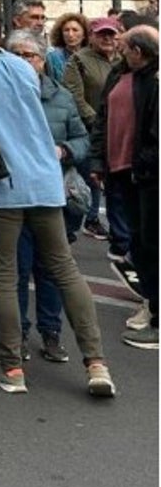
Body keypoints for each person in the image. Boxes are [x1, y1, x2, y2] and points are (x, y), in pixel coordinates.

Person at [0, 0, 116, 398]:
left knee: (4, 274)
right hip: (44, 178)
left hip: (2, 182)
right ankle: (96, 363)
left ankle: (12, 368)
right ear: (1, 29)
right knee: (64, 268)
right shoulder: (23, 65)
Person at [5, 30, 89, 363]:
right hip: (12, 197)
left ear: (42, 60)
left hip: (53, 196)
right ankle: (19, 334)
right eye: (19, 56)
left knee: (52, 269)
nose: (26, 62)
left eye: (32, 56)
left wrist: (64, 149)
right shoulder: (1, 96)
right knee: (18, 269)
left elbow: (83, 139)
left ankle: (51, 333)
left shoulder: (61, 97)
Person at [89, 25, 159, 350]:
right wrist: (98, 160)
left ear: (138, 51)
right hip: (121, 170)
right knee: (139, 241)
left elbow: (154, 135)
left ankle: (157, 316)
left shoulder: (155, 81)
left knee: (150, 241)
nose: (119, 49)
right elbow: (104, 116)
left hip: (144, 175)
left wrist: (143, 166)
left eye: (125, 46)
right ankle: (150, 300)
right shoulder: (120, 75)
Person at [63, 16, 127, 250]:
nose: (108, 38)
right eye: (102, 34)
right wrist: (98, 121)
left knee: (118, 185)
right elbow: (74, 96)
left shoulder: (125, 60)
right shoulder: (79, 61)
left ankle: (120, 236)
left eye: (111, 34)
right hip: (91, 132)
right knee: (92, 179)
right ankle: (77, 225)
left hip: (121, 132)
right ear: (92, 36)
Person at [46, 13, 88, 83]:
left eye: (75, 30)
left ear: (84, 35)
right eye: (66, 30)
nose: (70, 34)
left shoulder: (90, 56)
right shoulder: (53, 56)